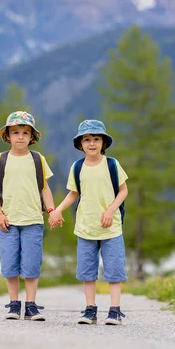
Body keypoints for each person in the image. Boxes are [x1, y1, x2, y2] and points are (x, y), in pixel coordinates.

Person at [0, 111, 62, 321]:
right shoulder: (0, 160)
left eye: (25, 133)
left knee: (32, 265)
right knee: (9, 264)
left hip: (33, 221)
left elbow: (45, 188)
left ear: (31, 137)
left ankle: (31, 305)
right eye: (15, 132)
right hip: (8, 221)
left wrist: (52, 210)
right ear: (7, 136)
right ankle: (13, 304)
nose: (20, 136)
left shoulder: (38, 160)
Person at [50, 119, 129, 325]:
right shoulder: (77, 167)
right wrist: (57, 210)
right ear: (80, 144)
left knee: (114, 270)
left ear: (103, 143)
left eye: (96, 139)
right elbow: (73, 193)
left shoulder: (112, 164)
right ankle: (90, 310)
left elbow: (123, 191)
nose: (92, 143)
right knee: (87, 272)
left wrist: (111, 210)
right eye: (87, 139)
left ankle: (114, 310)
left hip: (111, 228)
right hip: (85, 228)